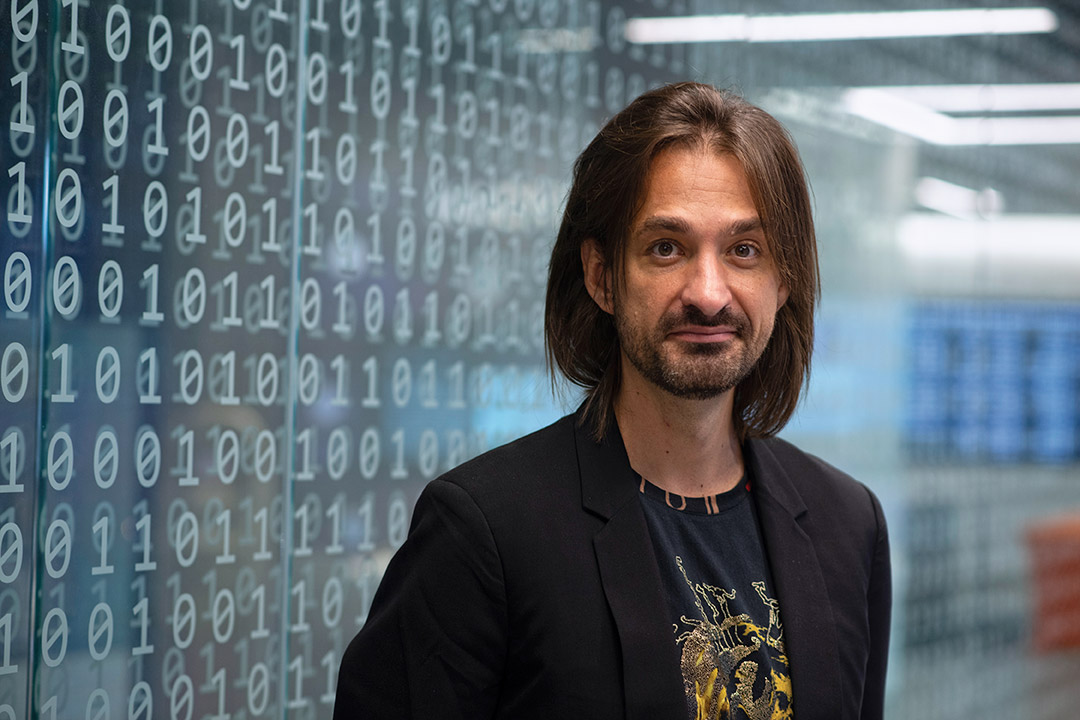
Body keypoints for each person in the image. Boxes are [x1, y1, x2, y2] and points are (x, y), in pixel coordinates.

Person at [334, 82, 891, 720]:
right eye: (666, 248)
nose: (709, 293)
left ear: (783, 279)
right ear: (602, 276)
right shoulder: (485, 533)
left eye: (744, 250)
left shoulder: (849, 526)